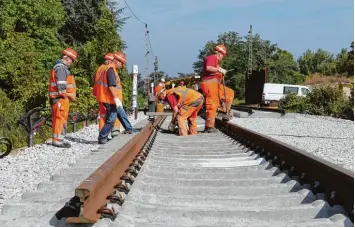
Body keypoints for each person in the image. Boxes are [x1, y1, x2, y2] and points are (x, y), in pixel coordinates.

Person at [93, 53, 135, 138]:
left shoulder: (109, 69)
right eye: (122, 63)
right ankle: (102, 137)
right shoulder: (110, 70)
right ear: (117, 61)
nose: (122, 65)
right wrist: (116, 98)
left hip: (109, 98)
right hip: (110, 99)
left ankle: (129, 129)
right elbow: (111, 86)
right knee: (112, 119)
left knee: (119, 114)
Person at [200, 44, 235, 133]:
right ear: (220, 53)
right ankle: (209, 127)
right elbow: (209, 68)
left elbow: (216, 68)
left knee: (229, 92)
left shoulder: (216, 61)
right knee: (212, 104)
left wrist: (220, 69)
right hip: (209, 84)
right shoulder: (212, 58)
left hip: (215, 84)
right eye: (223, 55)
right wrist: (219, 70)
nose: (223, 57)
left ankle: (223, 112)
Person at [48, 48, 78, 148]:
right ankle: (58, 140)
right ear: (67, 58)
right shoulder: (61, 69)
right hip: (60, 98)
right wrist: (66, 95)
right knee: (60, 119)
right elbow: (61, 86)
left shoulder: (59, 68)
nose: (72, 63)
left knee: (60, 119)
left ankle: (59, 139)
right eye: (72, 60)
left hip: (60, 98)